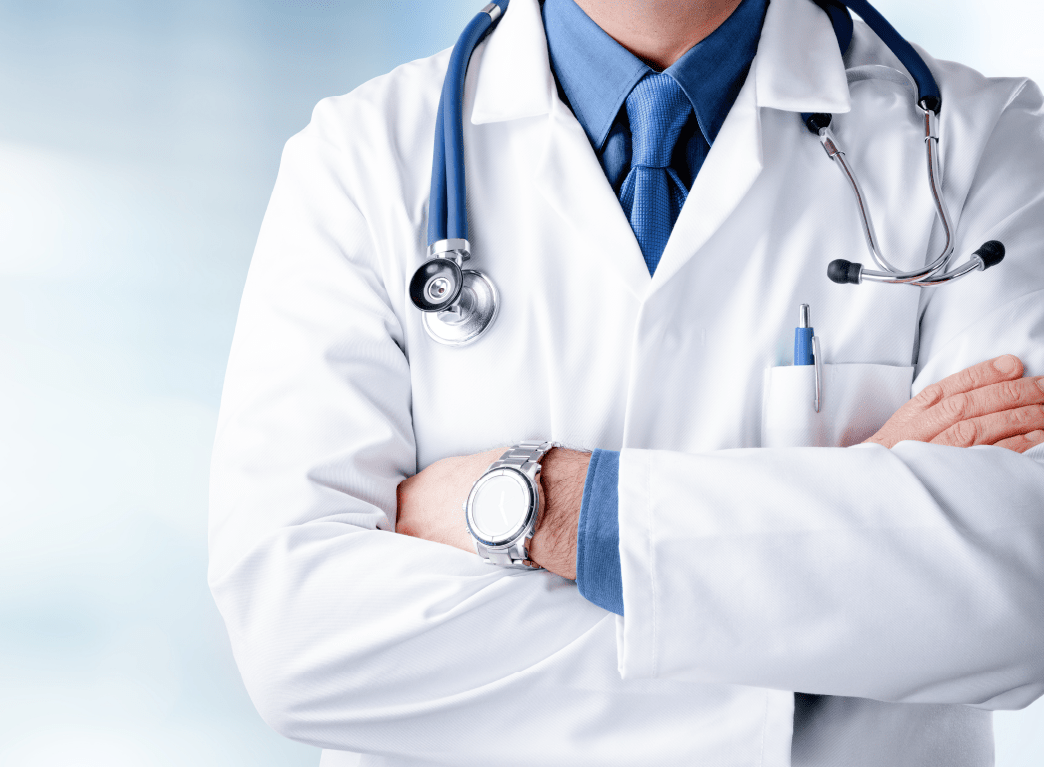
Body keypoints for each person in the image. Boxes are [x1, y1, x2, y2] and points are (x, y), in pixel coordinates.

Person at [207, 0, 1044, 763]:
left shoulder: (986, 146)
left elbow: (1017, 586)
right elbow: (299, 634)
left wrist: (550, 505)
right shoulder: (359, 163)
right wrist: (833, 588)